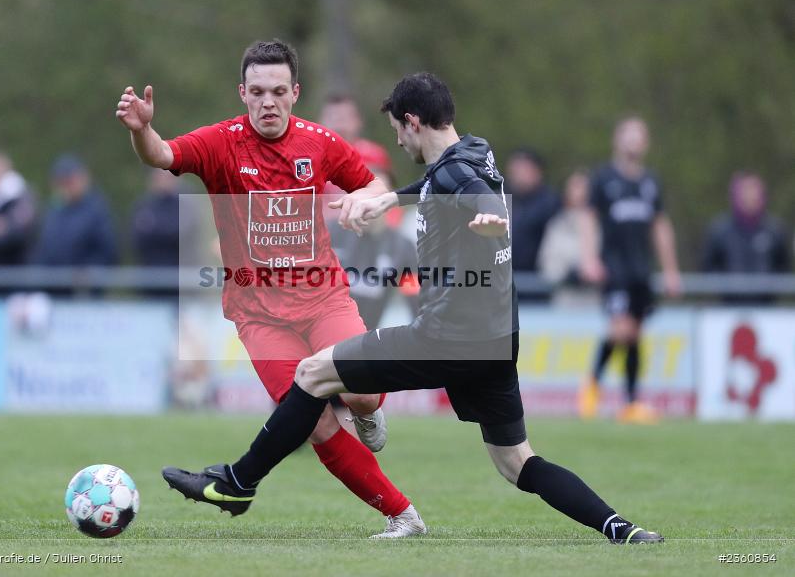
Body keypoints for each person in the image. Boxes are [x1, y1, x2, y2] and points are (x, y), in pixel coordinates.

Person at [159, 73, 664, 545]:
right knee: (516, 463)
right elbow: (443, 182)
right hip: (496, 341)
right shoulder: (475, 150)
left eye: (397, 129)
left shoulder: (463, 177)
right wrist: (387, 201)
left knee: (313, 373)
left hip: (445, 337)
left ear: (413, 122)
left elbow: (473, 193)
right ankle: (621, 529)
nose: (397, 141)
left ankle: (239, 481)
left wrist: (490, 217)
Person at [115, 39, 425, 537]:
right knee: (315, 421)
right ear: (242, 92)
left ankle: (366, 413)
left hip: (323, 296)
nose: (267, 102)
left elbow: (368, 184)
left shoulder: (318, 142)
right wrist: (143, 129)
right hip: (259, 314)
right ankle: (403, 516)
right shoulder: (220, 142)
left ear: (295, 92)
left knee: (365, 396)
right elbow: (163, 155)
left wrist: (365, 204)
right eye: (257, 91)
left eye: (278, 91)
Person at [579, 116, 682, 423]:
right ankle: (592, 385)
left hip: (640, 269)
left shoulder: (650, 182)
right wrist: (588, 258)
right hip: (614, 267)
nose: (633, 141)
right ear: (617, 139)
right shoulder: (603, 179)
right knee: (620, 328)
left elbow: (660, 226)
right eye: (628, 135)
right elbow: (588, 219)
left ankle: (631, 402)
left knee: (635, 333)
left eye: (639, 136)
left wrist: (671, 270)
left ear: (646, 143)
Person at [319, 94, 419, 328]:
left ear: (357, 121)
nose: (339, 124)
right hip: (332, 245)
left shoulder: (373, 157)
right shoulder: (310, 157)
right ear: (321, 121)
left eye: (344, 117)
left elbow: (414, 295)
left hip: (371, 245)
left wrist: (386, 240)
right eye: (333, 118)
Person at [700, 171, 789, 304]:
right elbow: (708, 266)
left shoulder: (775, 231)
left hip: (767, 308)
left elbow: (783, 266)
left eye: (755, 191)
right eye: (746, 191)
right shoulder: (720, 230)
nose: (751, 196)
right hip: (728, 307)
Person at [31, 154, 118, 269]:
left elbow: (108, 251)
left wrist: (88, 272)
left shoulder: (98, 210)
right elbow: (44, 247)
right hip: (53, 282)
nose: (65, 188)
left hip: (86, 285)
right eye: (60, 182)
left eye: (69, 182)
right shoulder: (53, 209)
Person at [537, 169, 600, 307]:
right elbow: (547, 266)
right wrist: (572, 275)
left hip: (598, 304)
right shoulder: (557, 226)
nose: (581, 192)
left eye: (585, 187)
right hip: (565, 305)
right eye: (575, 187)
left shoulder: (604, 227)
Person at [504, 147, 560, 296]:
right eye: (516, 168)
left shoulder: (550, 202)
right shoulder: (499, 196)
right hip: (502, 283)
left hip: (538, 283)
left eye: (524, 168)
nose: (519, 173)